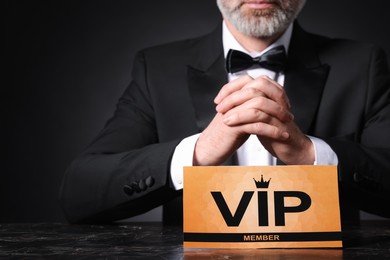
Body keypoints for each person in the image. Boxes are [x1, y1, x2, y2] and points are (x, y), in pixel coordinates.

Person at [59, 0, 390, 225]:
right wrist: (197, 153)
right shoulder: (157, 68)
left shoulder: (363, 65)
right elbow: (79, 194)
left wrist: (312, 154)